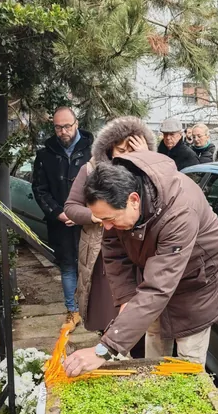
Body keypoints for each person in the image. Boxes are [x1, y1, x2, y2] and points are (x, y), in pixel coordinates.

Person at [62, 151, 218, 377]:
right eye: (102, 220)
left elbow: (157, 289)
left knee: (188, 356)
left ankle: (187, 405)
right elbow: (114, 254)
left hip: (196, 279)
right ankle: (154, 391)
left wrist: (104, 350)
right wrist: (126, 295)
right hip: (155, 270)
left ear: (133, 200)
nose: (107, 227)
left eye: (110, 219)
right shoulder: (115, 211)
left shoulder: (179, 211)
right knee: (153, 338)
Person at [64, 116, 155, 332]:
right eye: (121, 150)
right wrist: (98, 216)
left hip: (142, 254)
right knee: (108, 313)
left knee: (143, 317)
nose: (126, 156)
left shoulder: (147, 171)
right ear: (109, 149)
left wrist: (147, 159)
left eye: (132, 150)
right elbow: (71, 206)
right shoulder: (90, 169)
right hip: (102, 254)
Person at [32, 107, 94, 326]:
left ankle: (94, 309)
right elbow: (40, 189)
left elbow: (104, 186)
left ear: (76, 123)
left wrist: (87, 213)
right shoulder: (44, 154)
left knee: (92, 265)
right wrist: (58, 213)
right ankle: (72, 310)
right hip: (60, 222)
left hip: (90, 221)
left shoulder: (93, 150)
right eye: (58, 127)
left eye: (67, 126)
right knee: (67, 266)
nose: (63, 131)